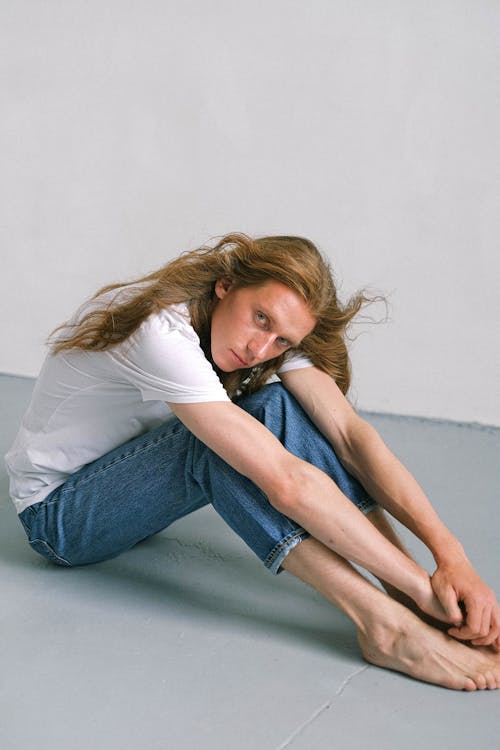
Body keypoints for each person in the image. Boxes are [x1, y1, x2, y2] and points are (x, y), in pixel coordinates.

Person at [5, 232, 500, 691]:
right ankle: (387, 626)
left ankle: (399, 598)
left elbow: (350, 435)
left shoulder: (262, 340)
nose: (260, 348)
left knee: (278, 405)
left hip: (127, 491)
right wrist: (426, 593)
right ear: (226, 286)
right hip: (61, 517)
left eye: (283, 340)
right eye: (260, 318)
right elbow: (288, 483)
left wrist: (449, 556)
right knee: (218, 446)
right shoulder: (158, 331)